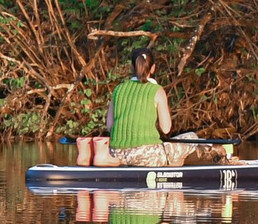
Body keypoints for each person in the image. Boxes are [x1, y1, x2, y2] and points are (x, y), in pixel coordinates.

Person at [74, 49, 229, 167]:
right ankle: (222, 159)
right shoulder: (157, 91)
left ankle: (92, 155)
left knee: (175, 155)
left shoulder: (118, 90)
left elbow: (110, 127)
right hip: (145, 155)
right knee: (192, 138)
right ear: (153, 68)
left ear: (131, 66)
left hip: (117, 153)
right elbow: (166, 129)